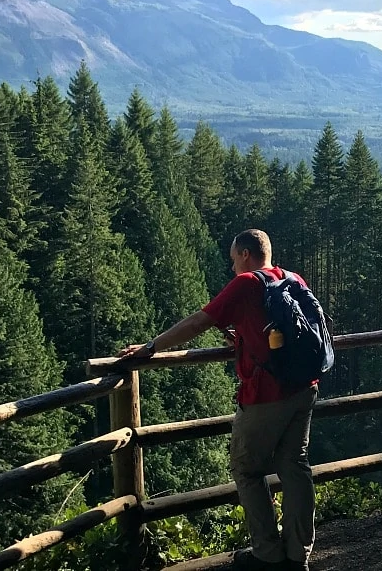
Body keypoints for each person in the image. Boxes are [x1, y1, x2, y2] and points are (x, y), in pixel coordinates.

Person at [119, 229, 317, 571]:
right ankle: (298, 555)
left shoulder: (246, 284)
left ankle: (268, 555)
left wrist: (152, 347)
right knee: (293, 466)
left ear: (243, 253)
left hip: (266, 394)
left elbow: (198, 322)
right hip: (304, 387)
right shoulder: (291, 278)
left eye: (232, 259)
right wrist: (243, 338)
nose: (231, 267)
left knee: (247, 468)